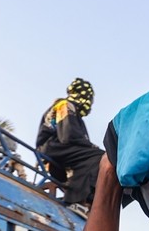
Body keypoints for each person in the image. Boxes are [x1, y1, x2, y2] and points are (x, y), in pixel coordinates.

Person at [37, 79, 105, 217]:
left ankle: (89, 202)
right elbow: (68, 135)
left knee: (99, 158)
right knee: (98, 156)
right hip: (52, 147)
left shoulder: (76, 114)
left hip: (63, 147)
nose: (89, 102)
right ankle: (76, 201)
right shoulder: (64, 105)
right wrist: (92, 147)